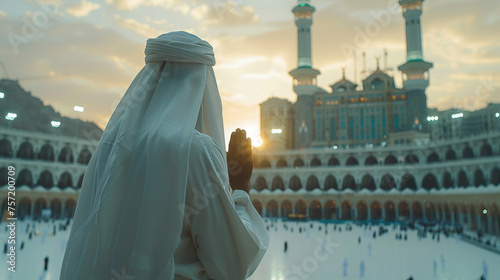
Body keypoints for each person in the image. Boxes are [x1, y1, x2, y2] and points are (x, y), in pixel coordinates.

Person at [59, 31, 269, 280]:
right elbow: (232, 265)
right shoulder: (195, 149)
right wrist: (241, 186)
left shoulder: (113, 144)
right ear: (201, 82)